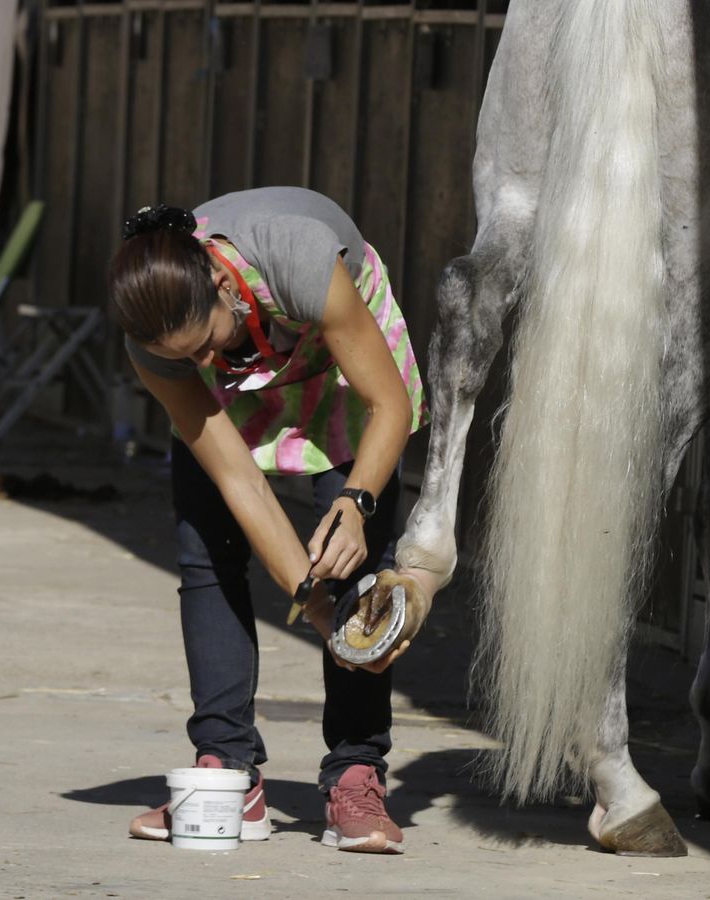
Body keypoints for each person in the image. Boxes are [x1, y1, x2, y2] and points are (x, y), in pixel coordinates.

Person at [108, 189, 426, 854]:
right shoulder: (159, 345)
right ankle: (227, 770)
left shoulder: (297, 257)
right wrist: (315, 609)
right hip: (248, 377)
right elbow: (238, 480)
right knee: (204, 549)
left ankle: (355, 773)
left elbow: (387, 403)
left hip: (338, 361)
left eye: (202, 345)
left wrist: (357, 503)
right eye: (180, 358)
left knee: (355, 563)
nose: (197, 365)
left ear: (222, 283)